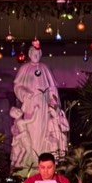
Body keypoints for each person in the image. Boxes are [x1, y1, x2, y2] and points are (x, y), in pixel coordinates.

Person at [10, 40, 70, 171]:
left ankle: (43, 160)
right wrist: (24, 93)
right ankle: (30, 160)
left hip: (43, 105)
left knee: (44, 130)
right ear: (29, 54)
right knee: (30, 130)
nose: (36, 56)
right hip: (30, 105)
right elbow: (17, 86)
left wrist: (53, 103)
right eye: (34, 53)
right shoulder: (24, 68)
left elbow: (52, 88)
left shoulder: (44, 68)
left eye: (38, 54)